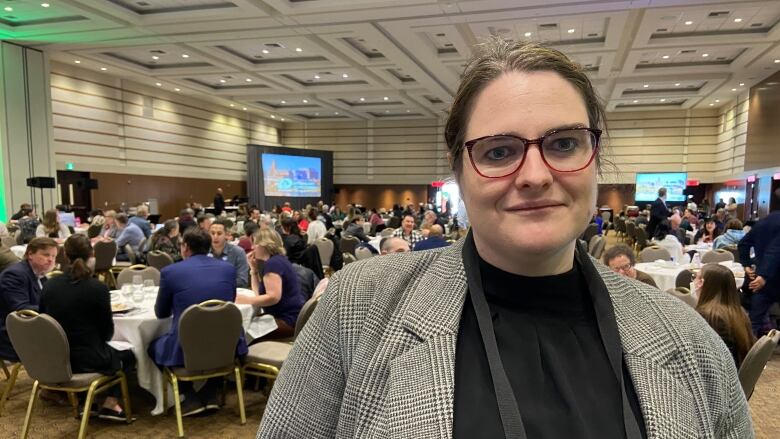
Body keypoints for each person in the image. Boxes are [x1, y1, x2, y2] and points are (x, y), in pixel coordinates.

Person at [258, 39, 751, 438]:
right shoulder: (359, 308)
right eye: (498, 152)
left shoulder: (690, 343)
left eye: (563, 144)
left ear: (596, 159)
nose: (535, 175)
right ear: (460, 172)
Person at [148, 228, 247, 416]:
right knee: (215, 340)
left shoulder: (170, 272)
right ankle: (210, 391)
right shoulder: (228, 269)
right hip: (225, 344)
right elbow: (229, 303)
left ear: (185, 248)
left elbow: (161, 313)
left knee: (152, 346)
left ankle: (189, 395)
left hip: (186, 346)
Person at [39, 234, 135, 421]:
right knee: (129, 354)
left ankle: (87, 402)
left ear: (65, 255)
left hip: (57, 359)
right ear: (92, 255)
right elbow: (107, 334)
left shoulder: (49, 286)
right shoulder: (97, 288)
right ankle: (110, 403)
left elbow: (44, 322)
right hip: (88, 359)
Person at [236, 228, 305, 342]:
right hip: (291, 317)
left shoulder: (273, 264)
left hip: (287, 320)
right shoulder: (277, 261)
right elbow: (259, 294)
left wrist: (246, 300)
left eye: (255, 243)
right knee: (243, 326)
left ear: (265, 245)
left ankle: (242, 359)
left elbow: (273, 297)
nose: (253, 247)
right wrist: (253, 270)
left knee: (238, 332)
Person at [0, 237, 58, 362]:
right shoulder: (15, 275)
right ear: (30, 254)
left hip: (33, 326)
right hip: (12, 334)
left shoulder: (39, 273)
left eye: (53, 256)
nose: (50, 260)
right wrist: (56, 309)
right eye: (46, 255)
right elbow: (21, 310)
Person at [694, 263, 755, 368]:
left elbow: (702, 359)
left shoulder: (709, 316)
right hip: (736, 375)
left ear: (701, 283)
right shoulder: (739, 312)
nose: (693, 281)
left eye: (694, 277)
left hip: (720, 378)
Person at [738, 188, 780, 336]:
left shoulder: (763, 222)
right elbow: (775, 251)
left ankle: (748, 355)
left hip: (762, 282)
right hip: (767, 278)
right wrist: (763, 275)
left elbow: (743, 244)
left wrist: (746, 264)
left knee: (753, 324)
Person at [208, 220, 249, 288]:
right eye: (212, 233)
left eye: (219, 233)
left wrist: (219, 285)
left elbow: (242, 280)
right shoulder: (203, 251)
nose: (215, 237)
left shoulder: (238, 252)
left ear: (226, 235)